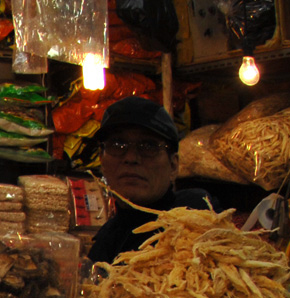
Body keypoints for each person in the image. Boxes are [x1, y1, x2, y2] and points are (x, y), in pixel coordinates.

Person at [86, 97, 215, 267]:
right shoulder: (105, 242)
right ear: (102, 161)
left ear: (174, 165)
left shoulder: (196, 226)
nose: (131, 158)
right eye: (117, 144)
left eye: (148, 146)